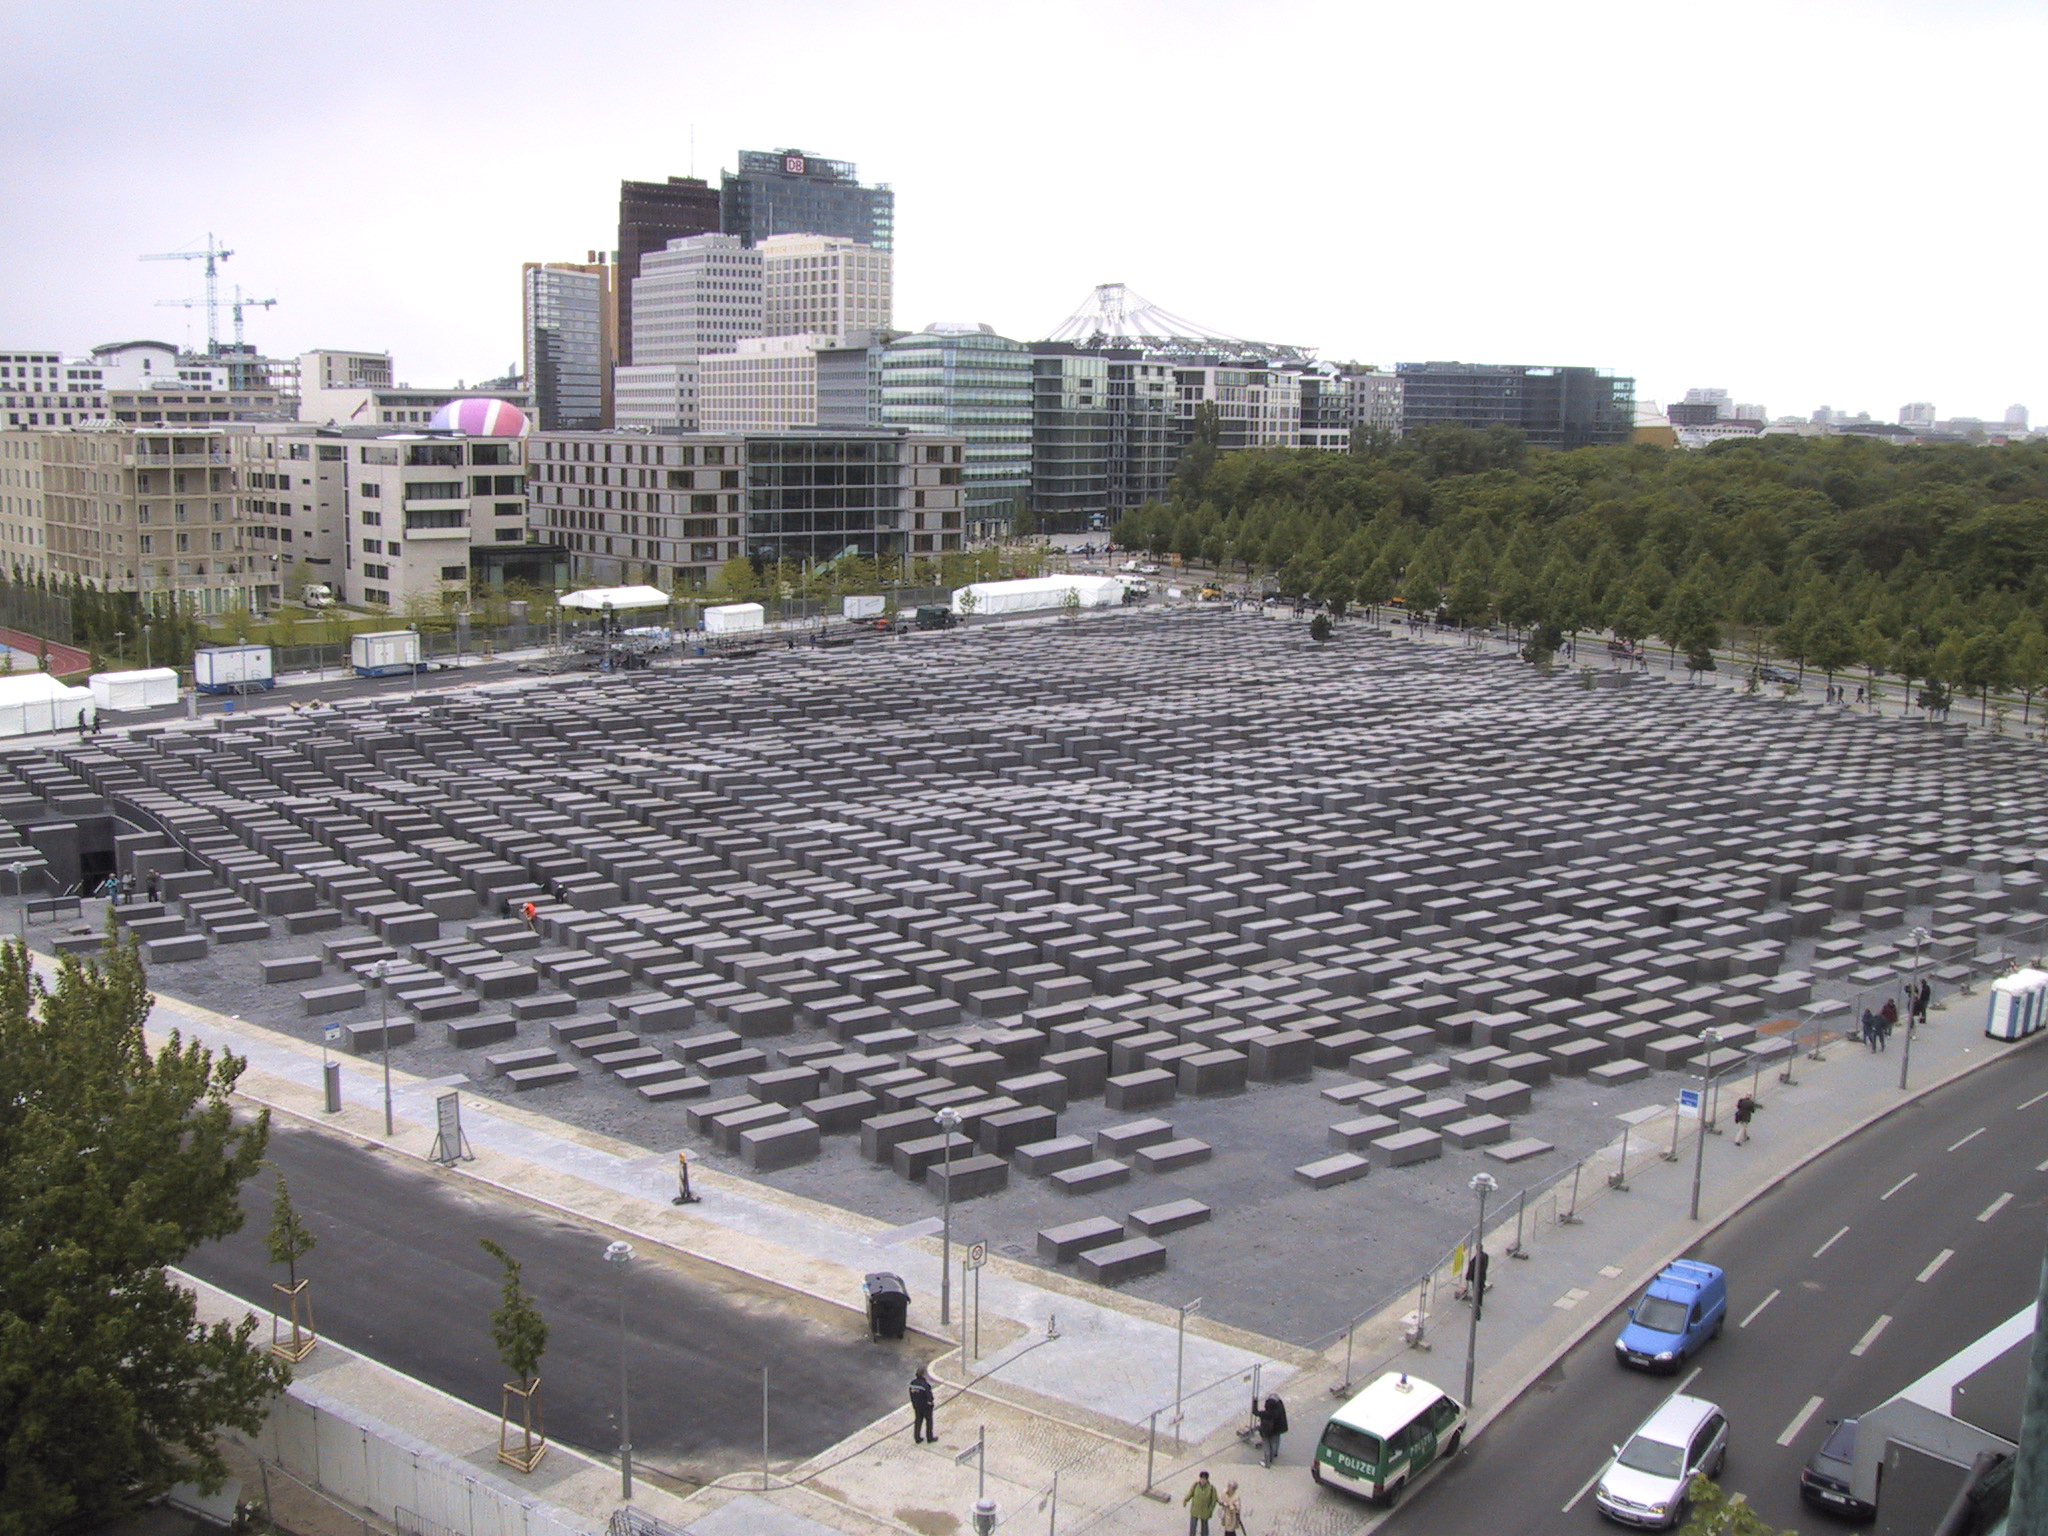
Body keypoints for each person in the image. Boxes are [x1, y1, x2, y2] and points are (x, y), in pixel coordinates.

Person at [1256, 1392, 1289, 1468]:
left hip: (1268, 1432)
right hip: (1278, 1429)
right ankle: (1274, 1454)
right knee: (1275, 1442)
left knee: (1267, 1446)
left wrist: (1255, 1402)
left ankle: (1267, 1461)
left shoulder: (1268, 1413)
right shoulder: (1279, 1407)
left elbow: (1256, 1412)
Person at [1183, 1471, 1217, 1536]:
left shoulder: (1211, 1488)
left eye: (1204, 1479)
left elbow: (1214, 1500)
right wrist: (1185, 1500)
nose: (1203, 1481)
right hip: (1195, 1510)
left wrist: (1210, 1510)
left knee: (1204, 1527)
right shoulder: (1196, 1486)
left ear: (1207, 1480)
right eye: (1201, 1479)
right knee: (1193, 1526)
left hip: (1205, 1511)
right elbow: (1190, 1493)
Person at [908, 1366, 936, 1444]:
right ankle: (929, 1438)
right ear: (923, 1375)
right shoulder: (925, 1385)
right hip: (926, 1407)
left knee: (918, 1421)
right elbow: (929, 1397)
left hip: (917, 1406)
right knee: (929, 1422)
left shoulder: (912, 1383)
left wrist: (914, 1404)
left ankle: (917, 1437)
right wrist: (931, 1403)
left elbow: (911, 1395)